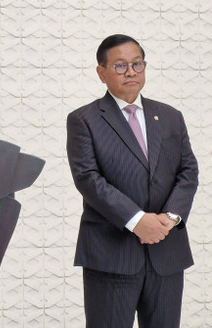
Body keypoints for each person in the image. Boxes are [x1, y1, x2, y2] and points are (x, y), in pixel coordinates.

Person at [66, 34, 198, 327]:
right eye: (120, 66)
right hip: (111, 253)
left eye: (137, 64)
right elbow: (88, 179)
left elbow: (188, 171)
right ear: (101, 72)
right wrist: (137, 220)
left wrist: (170, 218)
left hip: (167, 251)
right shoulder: (84, 119)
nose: (131, 72)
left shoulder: (170, 116)